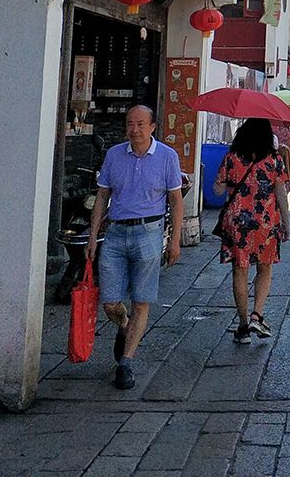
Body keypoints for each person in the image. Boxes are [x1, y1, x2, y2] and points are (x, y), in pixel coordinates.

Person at [86, 105, 182, 390]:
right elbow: (102, 196)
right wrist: (92, 236)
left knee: (141, 300)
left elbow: (176, 200)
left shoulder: (167, 156)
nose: (134, 129)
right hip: (116, 233)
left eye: (141, 124)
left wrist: (174, 240)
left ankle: (126, 363)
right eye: (130, 124)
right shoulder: (114, 155)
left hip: (149, 232)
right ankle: (124, 325)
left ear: (152, 127)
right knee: (109, 302)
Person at [213, 118, 290, 343]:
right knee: (264, 267)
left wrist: (225, 183)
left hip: (237, 224)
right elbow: (281, 195)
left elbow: (218, 191)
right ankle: (258, 314)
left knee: (240, 270)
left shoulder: (231, 158)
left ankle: (243, 324)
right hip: (266, 223)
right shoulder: (274, 160)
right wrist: (286, 224)